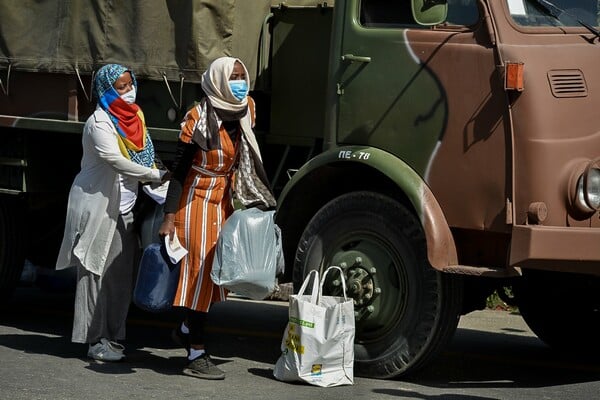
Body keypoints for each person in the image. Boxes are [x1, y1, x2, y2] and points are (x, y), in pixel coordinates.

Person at [158, 56, 276, 380]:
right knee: (200, 276)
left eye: (242, 76)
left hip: (224, 201)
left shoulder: (246, 108)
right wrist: (169, 216)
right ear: (218, 80)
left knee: (213, 278)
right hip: (195, 202)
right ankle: (196, 352)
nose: (240, 82)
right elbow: (179, 171)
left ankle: (185, 326)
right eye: (233, 77)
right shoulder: (197, 119)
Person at [56, 64, 169, 362]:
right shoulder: (99, 122)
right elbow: (115, 160)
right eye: (120, 87)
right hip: (99, 208)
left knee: (119, 277)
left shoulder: (135, 118)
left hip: (126, 209)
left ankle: (114, 336)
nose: (128, 90)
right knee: (93, 274)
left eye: (130, 84)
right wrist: (155, 175)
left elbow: (142, 152)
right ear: (106, 90)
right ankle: (94, 340)